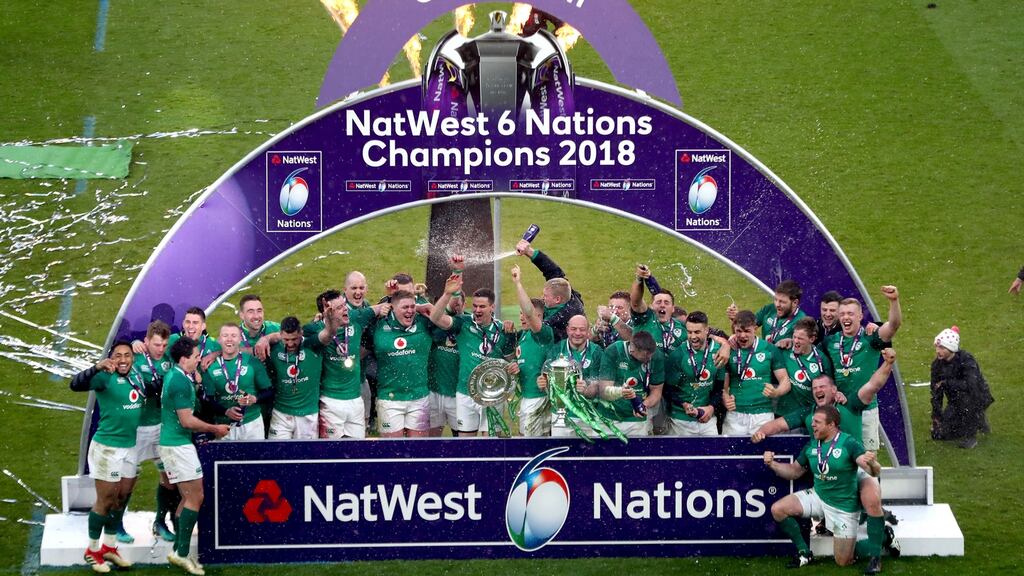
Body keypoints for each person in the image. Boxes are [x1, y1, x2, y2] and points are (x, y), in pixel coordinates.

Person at [754, 350, 901, 567]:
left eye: (822, 387)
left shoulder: (849, 403)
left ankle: (878, 546)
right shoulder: (810, 415)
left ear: (834, 390)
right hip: (829, 478)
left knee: (871, 500)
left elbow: (873, 385)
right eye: (814, 388)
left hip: (857, 467)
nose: (817, 391)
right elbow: (779, 425)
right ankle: (807, 551)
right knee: (784, 509)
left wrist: (887, 364)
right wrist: (761, 433)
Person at [764, 406, 883, 572]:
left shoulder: (849, 443)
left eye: (817, 422)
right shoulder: (812, 445)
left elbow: (873, 471)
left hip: (843, 507)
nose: (812, 425)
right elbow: (794, 471)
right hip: (818, 497)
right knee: (778, 509)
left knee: (843, 561)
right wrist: (772, 464)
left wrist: (872, 464)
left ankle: (884, 537)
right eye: (812, 421)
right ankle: (804, 553)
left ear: (831, 424)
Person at [69, 341, 143, 573]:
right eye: (118, 355)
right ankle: (92, 550)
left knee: (122, 496)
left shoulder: (137, 375)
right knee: (106, 499)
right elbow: (75, 385)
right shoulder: (104, 377)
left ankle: (109, 547)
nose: (123, 359)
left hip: (130, 446)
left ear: (132, 358)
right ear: (111, 358)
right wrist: (96, 367)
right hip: (107, 448)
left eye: (127, 355)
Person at [159, 337, 230, 575]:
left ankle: (179, 551)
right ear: (183, 359)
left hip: (175, 444)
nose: (199, 359)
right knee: (195, 498)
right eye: (195, 356)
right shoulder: (179, 381)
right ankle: (181, 554)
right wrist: (214, 428)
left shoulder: (178, 375)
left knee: (187, 498)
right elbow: (186, 420)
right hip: (178, 446)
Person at [429, 268, 515, 436]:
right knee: (466, 443)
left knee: (490, 442)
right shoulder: (464, 323)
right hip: (465, 394)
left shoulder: (503, 330)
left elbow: (510, 360)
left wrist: (513, 361)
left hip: (492, 394)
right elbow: (435, 318)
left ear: (492, 307)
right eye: (475, 306)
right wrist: (447, 294)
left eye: (482, 306)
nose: (477, 310)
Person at [824, 287, 902, 452]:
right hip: (840, 409)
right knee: (840, 457)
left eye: (850, 314)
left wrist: (893, 301)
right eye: (842, 314)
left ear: (860, 316)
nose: (846, 317)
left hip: (866, 410)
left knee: (868, 458)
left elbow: (893, 326)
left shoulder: (870, 337)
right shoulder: (830, 342)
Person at [312, 290, 388, 438]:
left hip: (355, 399)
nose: (345, 309)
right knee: (331, 449)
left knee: (358, 448)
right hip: (330, 401)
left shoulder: (355, 318)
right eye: (339, 307)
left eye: (344, 305)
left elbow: (381, 307)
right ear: (326, 312)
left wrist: (390, 301)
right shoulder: (314, 330)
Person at [128, 320, 177, 543]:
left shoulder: (169, 358)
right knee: (127, 480)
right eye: (156, 344)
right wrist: (133, 343)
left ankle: (160, 522)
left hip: (161, 426)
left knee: (169, 477)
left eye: (164, 345)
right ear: (146, 341)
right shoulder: (134, 357)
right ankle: (116, 525)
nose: (160, 349)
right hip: (137, 427)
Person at [372, 290, 434, 437]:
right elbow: (356, 319)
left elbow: (443, 316)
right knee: (392, 449)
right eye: (405, 307)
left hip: (419, 398)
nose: (410, 311)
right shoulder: (379, 324)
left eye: (413, 307)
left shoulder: (424, 322)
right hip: (389, 399)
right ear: (393, 308)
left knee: (418, 448)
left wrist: (425, 307)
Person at [722, 310, 791, 435]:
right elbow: (723, 382)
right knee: (731, 448)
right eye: (738, 331)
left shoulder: (769, 349)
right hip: (735, 414)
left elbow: (785, 380)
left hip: (762, 415)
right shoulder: (729, 350)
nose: (742, 335)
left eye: (747, 331)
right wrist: (725, 397)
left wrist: (776, 392)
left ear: (755, 329)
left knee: (762, 448)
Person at [587, 331, 664, 436]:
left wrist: (643, 405)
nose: (649, 358)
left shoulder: (655, 355)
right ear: (633, 350)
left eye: (651, 355)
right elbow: (604, 391)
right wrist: (620, 392)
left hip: (636, 420)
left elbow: (656, 391)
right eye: (645, 356)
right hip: (608, 417)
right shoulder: (614, 351)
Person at [203, 324, 273, 440]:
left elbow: (269, 392)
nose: (229, 339)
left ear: (240, 339)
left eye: (233, 336)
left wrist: (255, 399)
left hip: (252, 423)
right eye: (225, 335)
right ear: (219, 339)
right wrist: (226, 411)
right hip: (223, 426)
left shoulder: (252, 362)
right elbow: (208, 400)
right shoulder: (210, 366)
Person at [664, 311, 727, 436]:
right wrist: (683, 404)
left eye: (697, 332)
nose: (693, 337)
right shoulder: (678, 355)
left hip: (707, 418)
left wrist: (711, 408)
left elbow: (718, 387)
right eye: (689, 332)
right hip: (681, 420)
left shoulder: (718, 352)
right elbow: (668, 390)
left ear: (706, 330)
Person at [510, 265, 556, 436]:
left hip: (540, 398)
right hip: (527, 396)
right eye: (520, 313)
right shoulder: (523, 336)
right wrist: (514, 367)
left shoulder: (544, 334)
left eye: (526, 314)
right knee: (525, 440)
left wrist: (518, 283)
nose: (523, 317)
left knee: (532, 444)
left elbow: (530, 313)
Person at [931, 327, 994, 449]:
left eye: (942, 348)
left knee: (966, 401)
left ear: (951, 348)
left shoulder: (966, 360)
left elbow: (971, 386)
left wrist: (946, 383)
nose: (938, 351)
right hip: (955, 401)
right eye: (937, 347)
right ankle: (975, 421)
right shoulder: (937, 365)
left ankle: (971, 435)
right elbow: (935, 393)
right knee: (939, 435)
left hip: (976, 397)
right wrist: (936, 417)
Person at [262, 316, 324, 439]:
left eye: (294, 339)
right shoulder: (273, 348)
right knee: (277, 450)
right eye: (286, 339)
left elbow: (326, 335)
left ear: (301, 333)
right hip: (281, 414)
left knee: (306, 451)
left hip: (307, 414)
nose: (290, 344)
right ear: (280, 334)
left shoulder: (312, 345)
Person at [543, 314, 605, 437]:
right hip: (562, 414)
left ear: (588, 331)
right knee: (561, 449)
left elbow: (599, 381)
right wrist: (543, 383)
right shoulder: (557, 350)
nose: (577, 333)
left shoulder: (597, 351)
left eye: (582, 329)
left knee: (589, 449)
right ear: (567, 330)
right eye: (573, 329)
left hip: (589, 415)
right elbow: (547, 376)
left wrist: (588, 386)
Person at [515, 238, 585, 341]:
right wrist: (529, 251)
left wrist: (517, 283)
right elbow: (553, 271)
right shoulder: (566, 292)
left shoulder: (561, 318)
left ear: (557, 299)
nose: (542, 298)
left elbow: (534, 323)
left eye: (545, 296)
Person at [775, 318, 833, 418]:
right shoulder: (785, 350)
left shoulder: (822, 361)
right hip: (782, 413)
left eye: (800, 338)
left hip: (808, 415)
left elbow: (829, 389)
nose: (795, 341)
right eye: (794, 337)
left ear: (812, 339)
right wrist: (776, 344)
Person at [728, 280, 807, 349]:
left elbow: (806, 347)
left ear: (795, 302)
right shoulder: (769, 309)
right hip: (764, 355)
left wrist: (792, 342)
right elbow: (746, 328)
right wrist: (737, 320)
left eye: (782, 302)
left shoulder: (801, 321)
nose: (777, 305)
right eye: (775, 299)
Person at [427, 293, 463, 436]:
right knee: (432, 439)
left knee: (462, 438)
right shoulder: (433, 324)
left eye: (458, 304)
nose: (455, 307)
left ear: (464, 304)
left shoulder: (467, 324)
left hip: (458, 394)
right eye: (451, 304)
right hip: (434, 390)